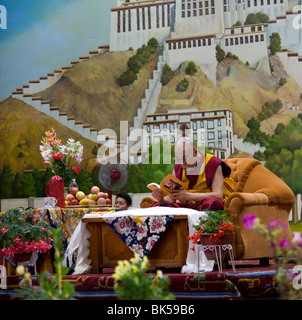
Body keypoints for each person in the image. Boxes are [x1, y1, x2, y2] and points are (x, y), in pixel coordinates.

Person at [151, 137, 233, 211]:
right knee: (156, 206)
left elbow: (218, 195)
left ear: (195, 152)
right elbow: (172, 198)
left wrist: (189, 196)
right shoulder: (177, 167)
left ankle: (203, 227)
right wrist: (161, 199)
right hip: (189, 206)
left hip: (205, 204)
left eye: (184, 158)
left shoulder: (213, 162)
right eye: (178, 158)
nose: (182, 164)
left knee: (212, 203)